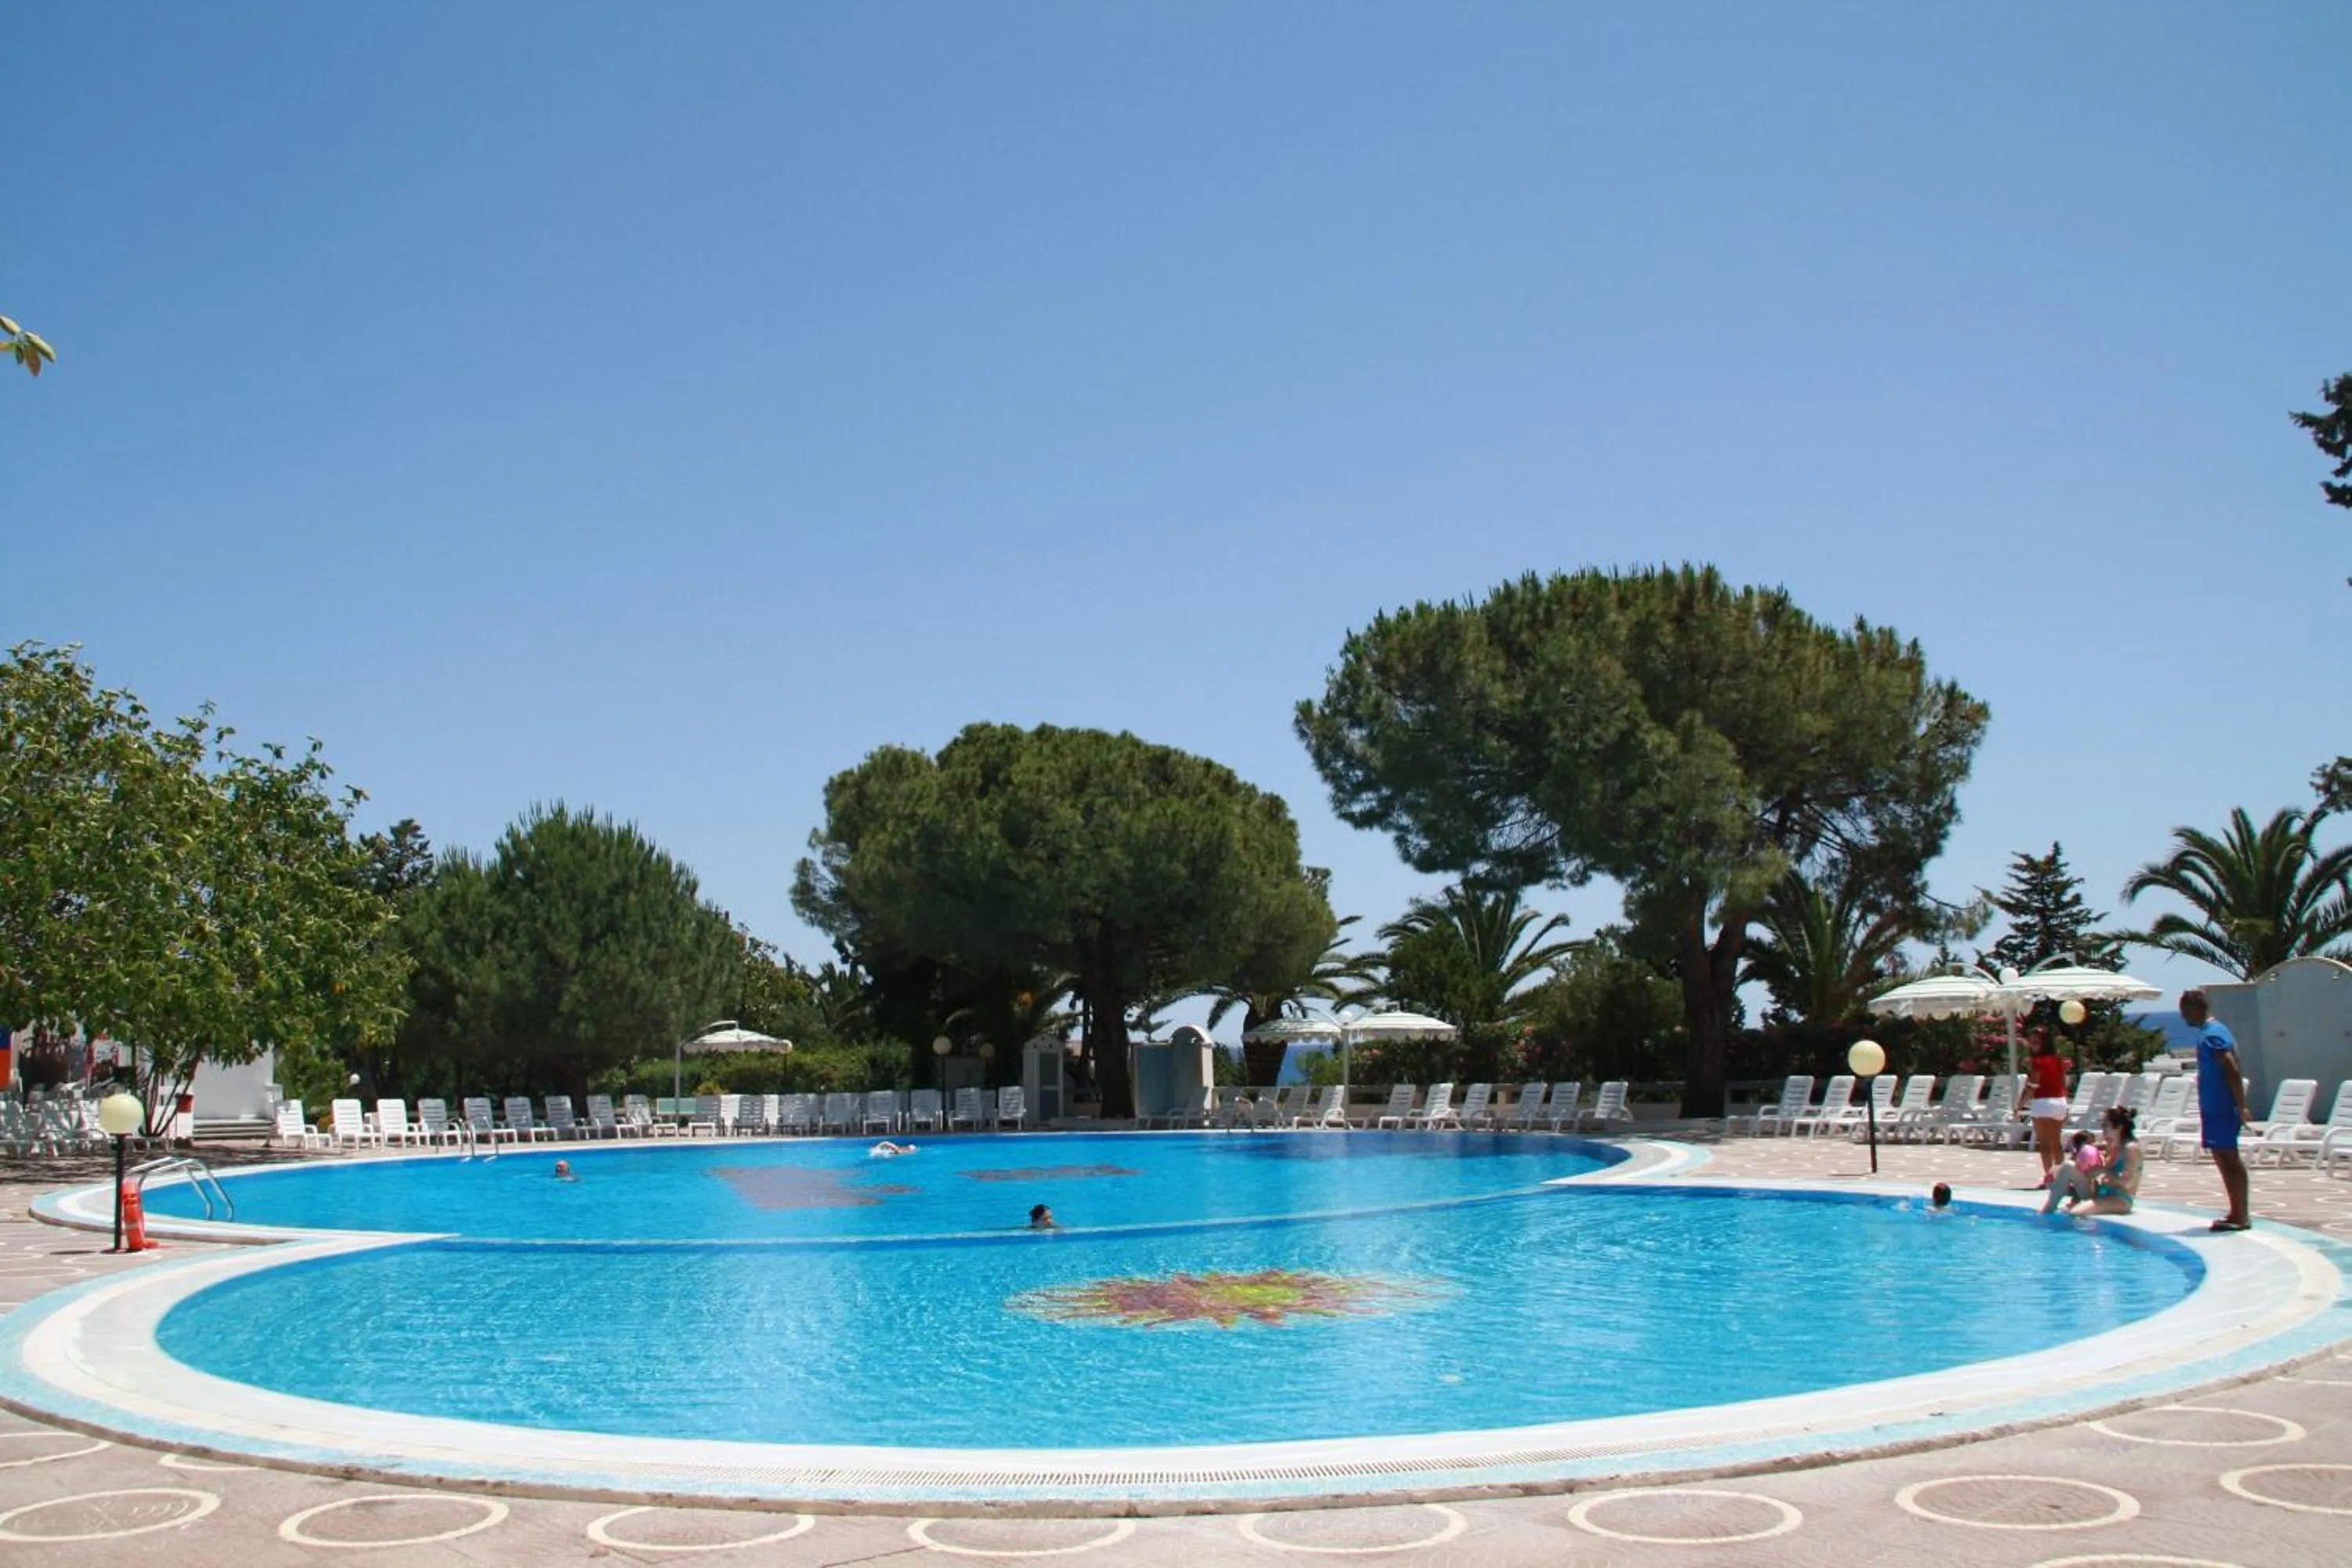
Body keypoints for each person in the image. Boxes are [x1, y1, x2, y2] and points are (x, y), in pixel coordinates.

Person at [2184, 989, 2252, 1231]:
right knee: (2221, 1157)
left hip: (2222, 1107)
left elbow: (2231, 1067)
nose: (2183, 1017)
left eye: (2185, 1011)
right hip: (2213, 1107)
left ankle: (2241, 1215)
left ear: (2195, 1007)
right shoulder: (2207, 1032)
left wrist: (2241, 1105)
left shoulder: (2214, 1033)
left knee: (2230, 1158)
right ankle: (2235, 1212)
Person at [2043, 1106, 2141, 1216]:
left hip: (2119, 1199)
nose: (2102, 1128)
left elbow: (2128, 1184)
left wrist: (2103, 1171)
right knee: (2068, 1167)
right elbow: (2084, 1155)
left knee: (2075, 1212)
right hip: (2100, 1192)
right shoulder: (2112, 1144)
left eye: (2105, 1125)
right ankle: (2047, 1211)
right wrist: (2058, 1169)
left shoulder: (2131, 1149)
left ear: (2119, 1127)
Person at [2016, 1026, 2071, 1188]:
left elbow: (2033, 1085)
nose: (2032, 1043)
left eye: (2035, 1040)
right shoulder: (2059, 1060)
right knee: (2057, 1143)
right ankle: (2062, 1177)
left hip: (2044, 1103)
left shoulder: (2038, 1062)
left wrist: (2019, 1105)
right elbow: (2063, 1083)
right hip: (2060, 1102)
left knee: (2045, 1144)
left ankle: (2050, 1178)